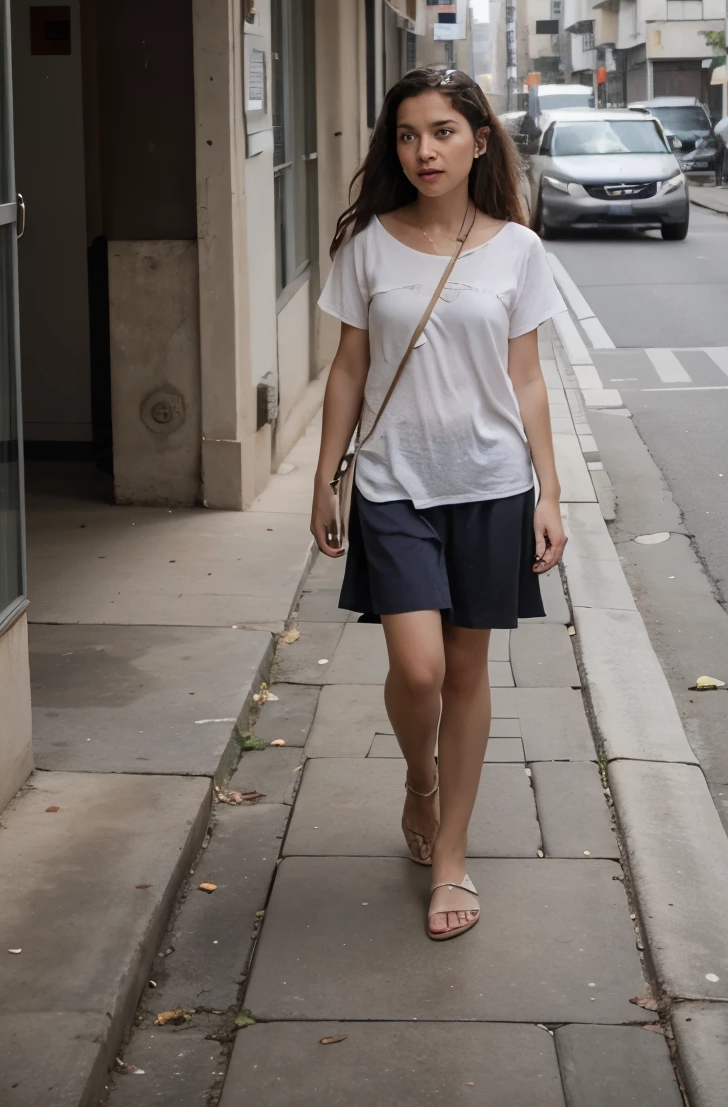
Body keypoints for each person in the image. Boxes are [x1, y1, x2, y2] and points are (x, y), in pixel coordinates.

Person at [310, 65, 567, 943]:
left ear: (479, 141)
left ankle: (451, 855)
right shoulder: (368, 247)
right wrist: (323, 477)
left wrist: (549, 493)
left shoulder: (518, 250)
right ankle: (420, 779)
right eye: (410, 134)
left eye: (444, 132)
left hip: (492, 484)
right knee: (417, 669)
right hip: (393, 482)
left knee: (466, 672)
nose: (425, 150)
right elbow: (349, 368)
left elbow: (526, 379)